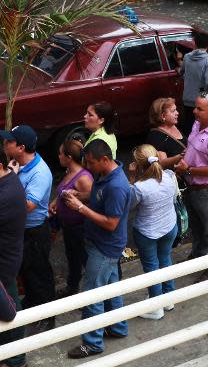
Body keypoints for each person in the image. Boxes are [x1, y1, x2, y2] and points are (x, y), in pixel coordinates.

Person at [64, 139, 131, 359]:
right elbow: (98, 198)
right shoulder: (105, 176)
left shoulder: (117, 186)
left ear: (104, 159)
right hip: (103, 245)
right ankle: (118, 327)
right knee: (111, 288)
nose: (88, 168)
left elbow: (111, 222)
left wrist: (81, 208)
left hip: (104, 247)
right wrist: (80, 196)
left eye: (91, 163)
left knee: (93, 293)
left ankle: (92, 343)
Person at [1, 125, 55, 332]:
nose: (5, 145)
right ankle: (31, 306)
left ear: (21, 147)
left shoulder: (40, 173)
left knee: (38, 274)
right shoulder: (16, 165)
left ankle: (46, 317)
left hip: (34, 232)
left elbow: (26, 206)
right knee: (26, 273)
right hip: (21, 232)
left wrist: (10, 179)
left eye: (9, 142)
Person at [174, 94, 208, 278]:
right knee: (197, 228)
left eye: (199, 109)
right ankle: (198, 257)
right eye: (195, 107)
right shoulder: (198, 124)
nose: (194, 111)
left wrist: (188, 169)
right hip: (194, 189)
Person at [128, 145, 178, 320]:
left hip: (148, 232)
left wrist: (132, 176)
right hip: (170, 226)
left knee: (151, 267)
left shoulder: (140, 188)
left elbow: (129, 205)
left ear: (139, 164)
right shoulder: (169, 176)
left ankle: (156, 306)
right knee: (165, 259)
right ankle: (169, 298)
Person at [49, 138, 93, 298]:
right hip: (68, 227)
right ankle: (72, 287)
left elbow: (92, 200)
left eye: (60, 154)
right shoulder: (69, 172)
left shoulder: (83, 178)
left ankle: (91, 295)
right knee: (72, 258)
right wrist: (56, 201)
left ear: (69, 157)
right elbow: (64, 191)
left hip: (80, 228)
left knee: (86, 261)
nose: (58, 156)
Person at [0, 147, 28, 367]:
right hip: (9, 257)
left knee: (10, 311)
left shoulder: (7, 194)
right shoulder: (8, 178)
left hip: (4, 264)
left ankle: (17, 358)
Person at [179, 32, 208, 134]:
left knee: (188, 124)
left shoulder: (186, 57)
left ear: (195, 44)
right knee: (200, 125)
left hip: (187, 97)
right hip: (200, 100)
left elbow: (182, 72)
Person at [146, 98, 187, 170]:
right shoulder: (156, 136)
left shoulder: (173, 126)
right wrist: (180, 157)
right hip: (174, 177)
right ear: (163, 116)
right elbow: (162, 163)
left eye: (176, 110)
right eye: (173, 111)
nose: (177, 113)